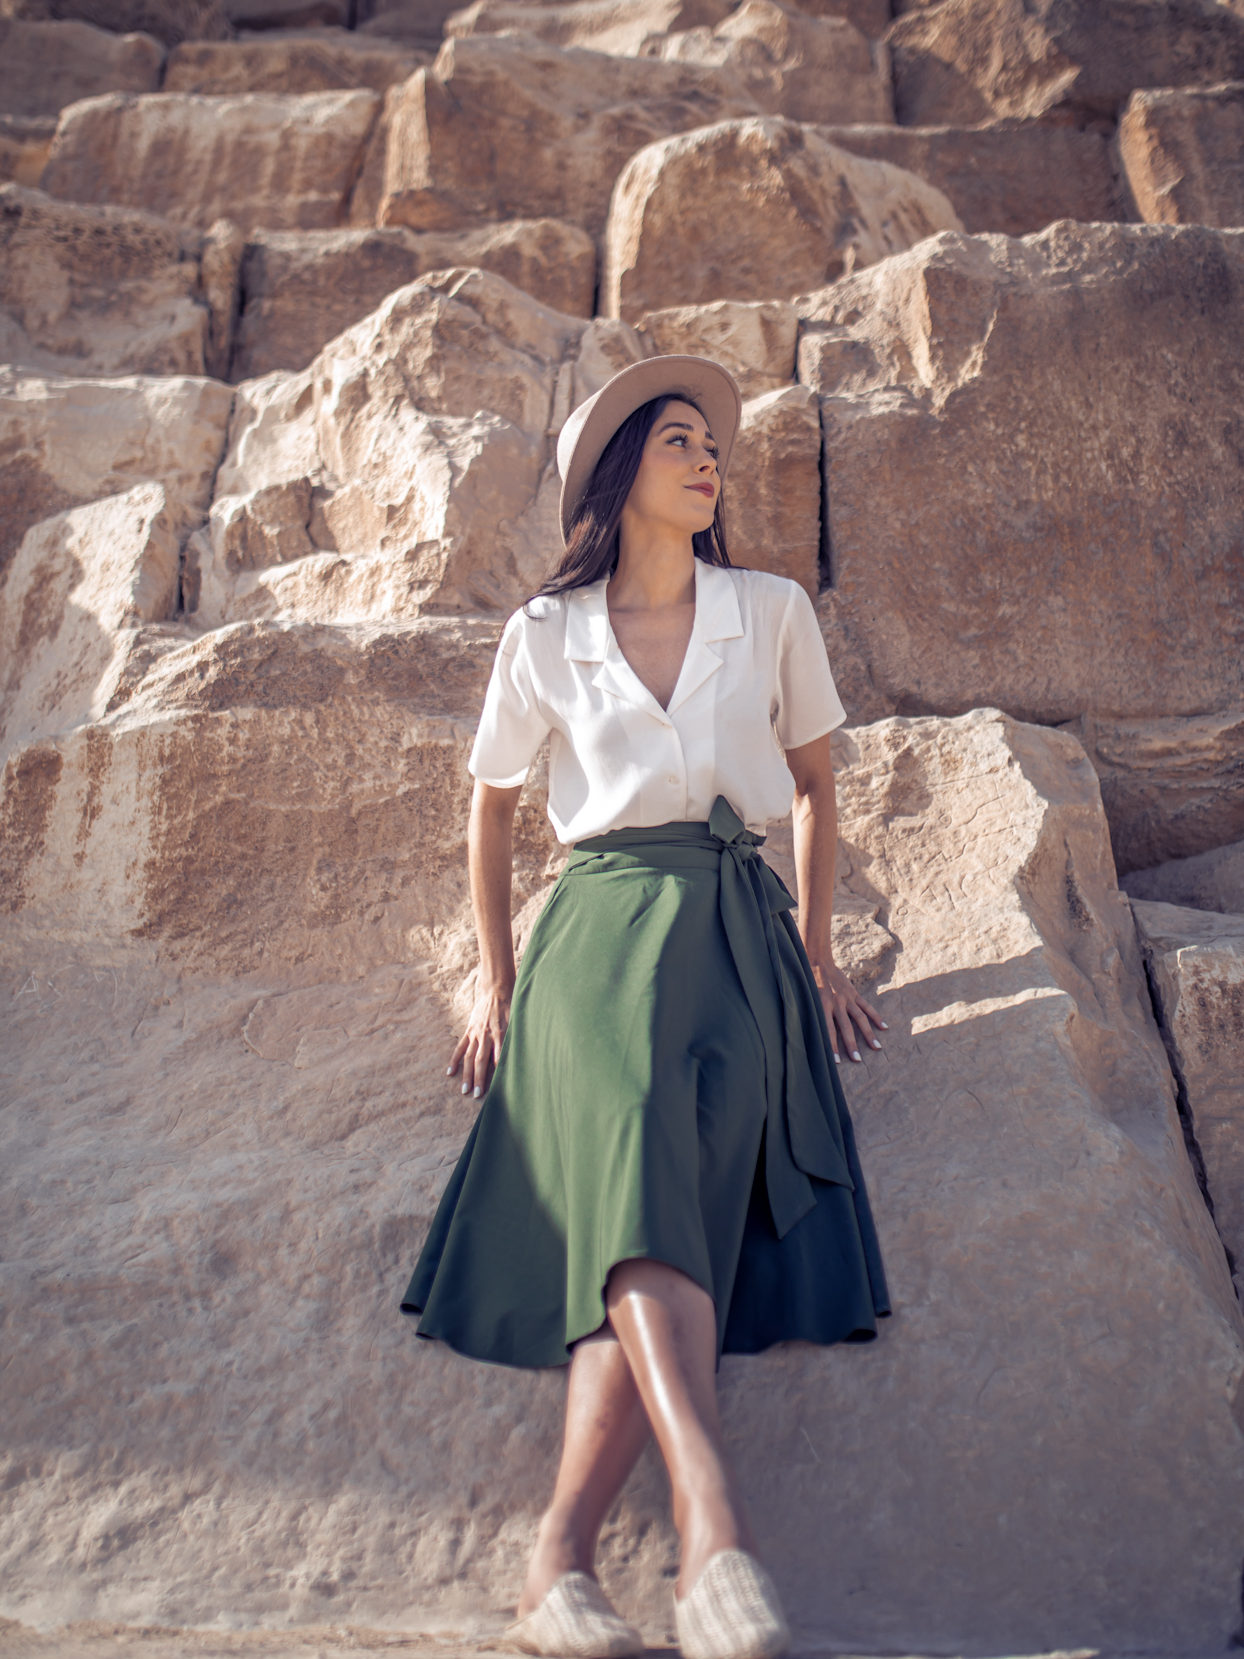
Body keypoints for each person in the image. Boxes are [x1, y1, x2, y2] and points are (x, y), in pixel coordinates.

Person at [401, 355, 891, 1659]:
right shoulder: (541, 634)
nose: (708, 457)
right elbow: (492, 810)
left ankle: (557, 1565)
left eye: (710, 444)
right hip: (598, 940)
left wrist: (819, 955)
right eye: (679, 440)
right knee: (638, 1169)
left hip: (737, 939)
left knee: (666, 1215)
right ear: (618, 476)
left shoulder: (770, 609)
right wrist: (496, 984)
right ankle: (713, 1533)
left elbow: (816, 787)